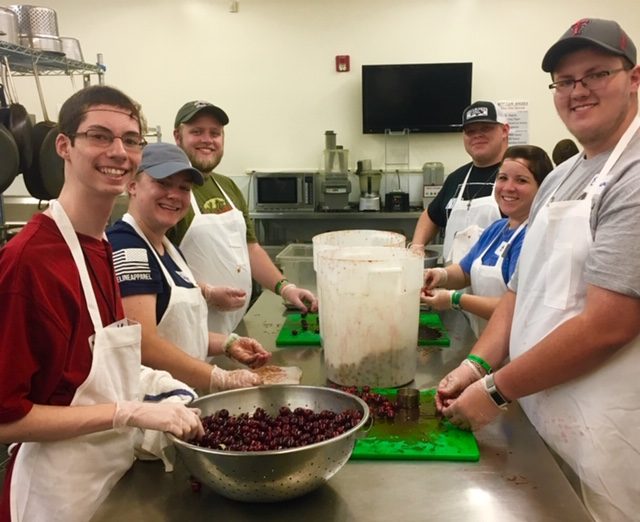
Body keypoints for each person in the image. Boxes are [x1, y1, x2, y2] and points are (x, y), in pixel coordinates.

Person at [435, 18, 640, 521]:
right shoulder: (562, 178)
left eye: (596, 74)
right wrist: (476, 366)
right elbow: (516, 295)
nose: (579, 91)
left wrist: (496, 389)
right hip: (540, 412)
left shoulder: (633, 176)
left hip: (607, 430)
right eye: (566, 81)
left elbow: (608, 325)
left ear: (635, 79)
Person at [0, 86, 204, 522]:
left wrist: (166, 392)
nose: (118, 151)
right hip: (56, 497)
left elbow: (101, 367)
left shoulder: (101, 246)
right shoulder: (29, 263)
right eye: (99, 136)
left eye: (131, 140)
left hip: (111, 484)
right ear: (64, 147)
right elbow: (6, 419)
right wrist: (126, 412)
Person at [107, 143, 271, 393]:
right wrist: (219, 377)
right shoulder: (128, 246)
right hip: (153, 407)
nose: (174, 195)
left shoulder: (168, 248)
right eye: (163, 183)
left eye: (184, 188)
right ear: (132, 186)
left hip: (182, 398)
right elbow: (144, 344)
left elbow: (180, 335)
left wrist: (227, 343)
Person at [168, 101, 318, 334]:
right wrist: (206, 293)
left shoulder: (227, 187)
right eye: (196, 132)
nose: (207, 139)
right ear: (178, 137)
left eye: (215, 133)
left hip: (234, 327)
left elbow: (251, 249)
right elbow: (157, 270)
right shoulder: (169, 192)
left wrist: (285, 288)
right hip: (189, 331)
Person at [421, 145, 553, 336]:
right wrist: (441, 275)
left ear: (543, 188)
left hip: (518, 346)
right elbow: (465, 271)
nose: (508, 187)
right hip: (487, 340)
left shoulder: (536, 236)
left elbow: (516, 307)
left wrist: (454, 299)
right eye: (502, 178)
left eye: (521, 180)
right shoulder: (496, 229)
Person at [412, 100, 510, 264]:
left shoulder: (517, 177)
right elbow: (430, 215)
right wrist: (417, 246)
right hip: (451, 284)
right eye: (470, 131)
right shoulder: (456, 179)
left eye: (486, 128)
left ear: (505, 130)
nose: (477, 135)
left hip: (498, 285)